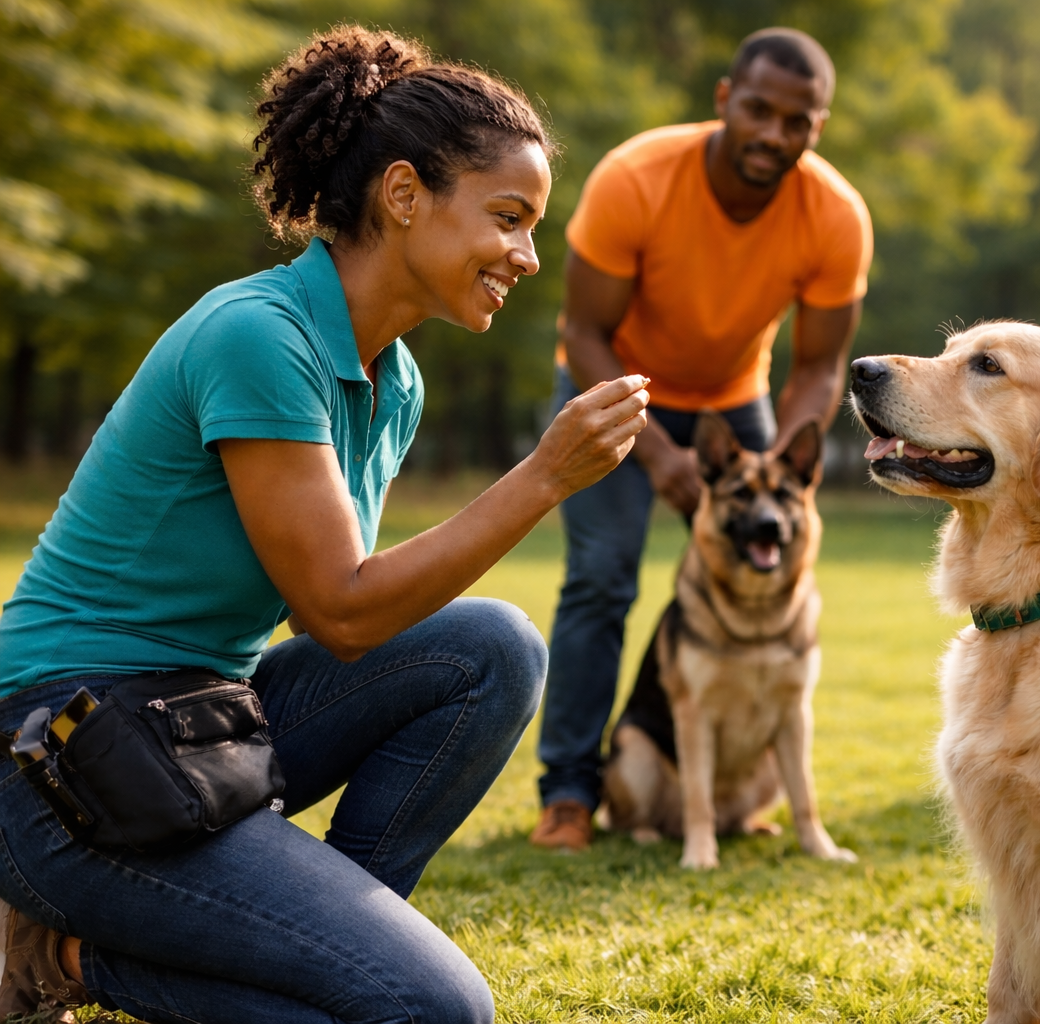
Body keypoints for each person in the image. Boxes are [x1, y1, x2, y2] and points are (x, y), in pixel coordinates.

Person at [0, 27, 650, 1023]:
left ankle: (270, 953)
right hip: (62, 756)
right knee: (439, 1012)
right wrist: (543, 478)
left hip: (198, 726)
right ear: (402, 196)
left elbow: (336, 620)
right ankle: (62, 960)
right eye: (509, 218)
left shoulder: (394, 382)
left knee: (492, 647)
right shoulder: (258, 334)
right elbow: (340, 614)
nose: (525, 255)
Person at [531, 27, 873, 851]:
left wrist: (784, 464)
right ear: (726, 100)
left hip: (734, 399)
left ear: (817, 128)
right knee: (604, 577)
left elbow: (821, 369)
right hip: (612, 385)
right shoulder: (635, 178)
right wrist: (656, 453)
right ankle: (571, 794)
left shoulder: (834, 216)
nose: (773, 134)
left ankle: (738, 785)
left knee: (776, 557)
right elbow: (583, 332)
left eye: (798, 122)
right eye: (758, 110)